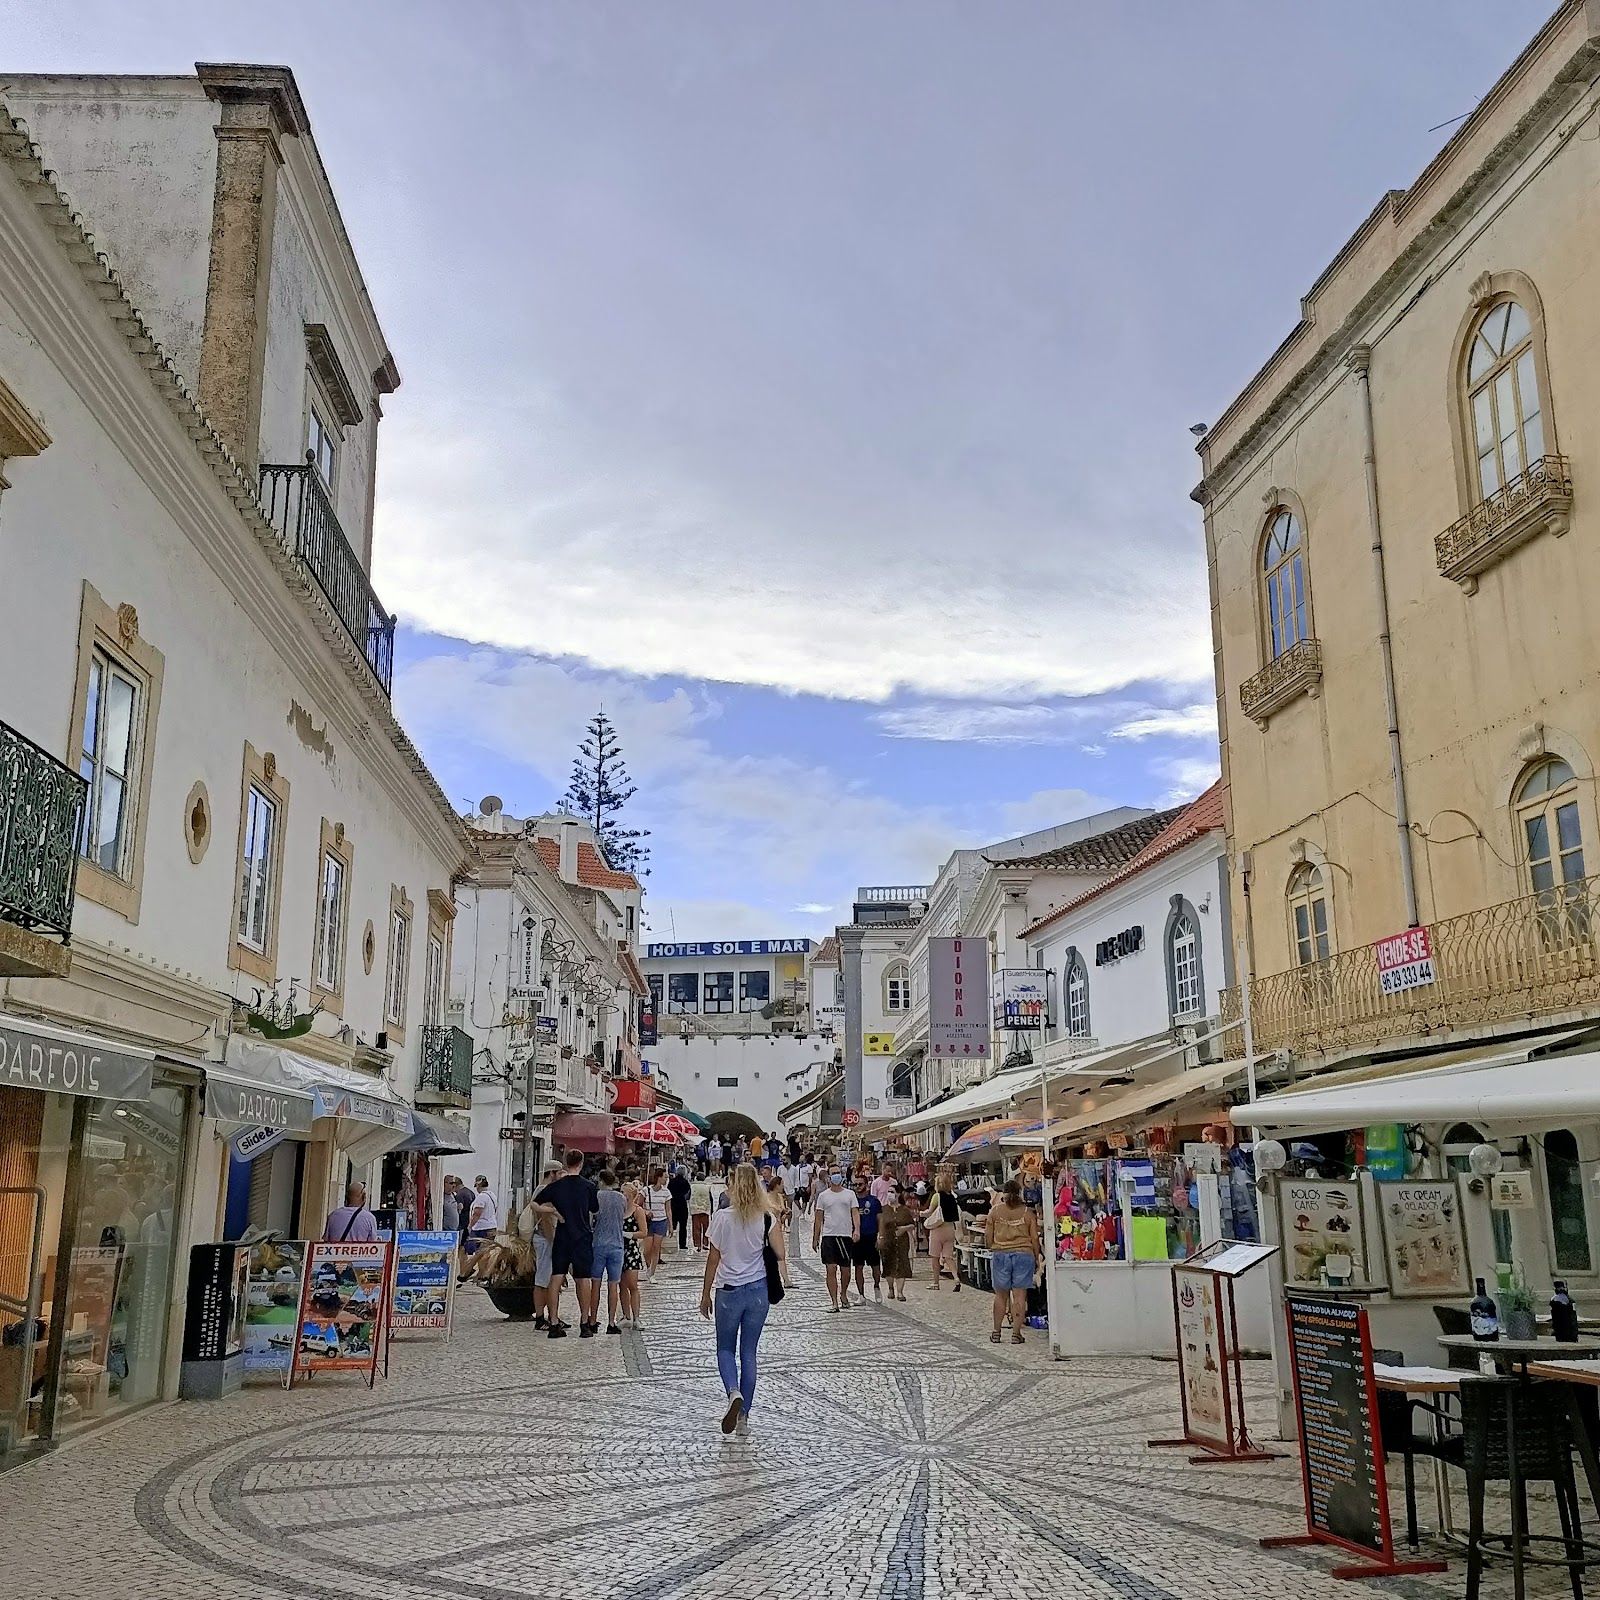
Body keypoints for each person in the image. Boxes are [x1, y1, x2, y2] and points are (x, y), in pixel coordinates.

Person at [699, 1163, 775, 1435]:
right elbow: (778, 1254)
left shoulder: (722, 1218)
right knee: (749, 1352)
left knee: (725, 1348)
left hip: (729, 1290)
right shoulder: (766, 1217)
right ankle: (744, 1416)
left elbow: (713, 1258)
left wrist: (705, 1294)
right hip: (758, 1291)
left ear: (733, 1184)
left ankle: (733, 1391)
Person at [542, 1151, 599, 1338]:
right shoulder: (589, 1186)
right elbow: (594, 1209)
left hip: (562, 1236)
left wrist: (555, 1212)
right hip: (582, 1236)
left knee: (556, 1277)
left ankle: (553, 1322)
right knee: (583, 1279)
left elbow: (535, 1203)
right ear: (581, 1163)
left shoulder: (556, 1186)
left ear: (566, 1163)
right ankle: (584, 1323)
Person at [983, 1180, 1043, 1344]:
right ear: (1019, 1193)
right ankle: (1016, 1334)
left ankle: (996, 1332)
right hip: (1023, 1255)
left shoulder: (995, 1211)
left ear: (1003, 1194)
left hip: (1001, 1254)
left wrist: (991, 1246)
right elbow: (1034, 1238)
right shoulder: (1027, 1213)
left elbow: (988, 1235)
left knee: (1000, 1296)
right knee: (1019, 1296)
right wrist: (1036, 1256)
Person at [812, 1167, 860, 1311]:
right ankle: (834, 1301)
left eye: (838, 1173)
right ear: (829, 1176)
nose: (836, 1176)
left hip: (845, 1236)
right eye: (833, 1173)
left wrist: (857, 1230)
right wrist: (815, 1237)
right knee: (830, 1268)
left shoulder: (850, 1194)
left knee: (845, 1270)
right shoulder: (823, 1196)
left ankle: (843, 1294)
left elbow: (855, 1213)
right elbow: (818, 1218)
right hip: (829, 1236)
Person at [592, 1168, 629, 1334]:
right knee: (613, 1285)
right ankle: (611, 1322)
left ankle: (592, 1320)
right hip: (617, 1244)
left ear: (601, 1181)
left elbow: (592, 1218)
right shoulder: (621, 1198)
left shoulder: (597, 1196)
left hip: (598, 1244)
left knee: (595, 1284)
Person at [528, 1163, 562, 1330]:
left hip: (543, 1239)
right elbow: (546, 1220)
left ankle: (551, 1316)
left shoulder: (541, 1189)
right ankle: (541, 1318)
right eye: (559, 1173)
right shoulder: (545, 1191)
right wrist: (553, 1240)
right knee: (543, 1280)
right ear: (552, 1173)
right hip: (545, 1239)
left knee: (547, 1280)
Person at [923, 1174, 960, 1291]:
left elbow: (930, 1212)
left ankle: (936, 1283)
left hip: (938, 1229)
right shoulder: (952, 1197)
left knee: (935, 1257)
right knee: (948, 1257)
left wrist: (920, 1213)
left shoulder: (937, 1196)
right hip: (950, 1229)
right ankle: (956, 1278)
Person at [879, 1183, 915, 1301]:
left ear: (898, 1194)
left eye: (892, 1192)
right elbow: (880, 1225)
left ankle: (900, 1292)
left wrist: (904, 1229)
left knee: (901, 1264)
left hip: (902, 1241)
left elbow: (912, 1225)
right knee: (888, 1264)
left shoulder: (904, 1210)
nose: (890, 1194)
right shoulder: (883, 1209)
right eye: (888, 1192)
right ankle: (890, 1288)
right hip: (887, 1241)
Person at [851, 1172, 884, 1303]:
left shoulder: (874, 1201)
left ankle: (876, 1285)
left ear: (866, 1185)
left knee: (875, 1265)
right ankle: (861, 1295)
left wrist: (880, 1235)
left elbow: (880, 1219)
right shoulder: (852, 1201)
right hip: (857, 1238)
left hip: (871, 1236)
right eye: (855, 1185)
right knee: (858, 1266)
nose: (857, 1187)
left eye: (860, 1184)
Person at [620, 1181, 647, 1327]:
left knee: (633, 1285)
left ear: (630, 1195)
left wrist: (629, 1234)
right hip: (619, 1249)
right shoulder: (619, 1210)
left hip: (631, 1250)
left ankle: (637, 1317)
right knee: (622, 1285)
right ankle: (626, 1316)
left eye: (623, 1192)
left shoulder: (638, 1211)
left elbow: (644, 1232)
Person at [764, 1171, 792, 1287]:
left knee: (781, 1254)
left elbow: (782, 1211)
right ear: (776, 1185)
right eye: (782, 1184)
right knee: (773, 1254)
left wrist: (786, 1213)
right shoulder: (766, 1198)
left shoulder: (780, 1197)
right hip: (768, 1229)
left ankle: (786, 1279)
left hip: (778, 1227)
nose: (783, 1186)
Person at [644, 1167, 672, 1277]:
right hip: (649, 1222)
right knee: (647, 1250)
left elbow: (668, 1210)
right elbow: (638, 1205)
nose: (666, 1179)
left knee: (656, 1248)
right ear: (659, 1177)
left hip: (661, 1221)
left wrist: (670, 1225)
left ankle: (652, 1273)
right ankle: (648, 1267)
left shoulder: (666, 1192)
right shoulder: (646, 1190)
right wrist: (646, 1212)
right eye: (665, 1177)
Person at [466, 1176, 500, 1256]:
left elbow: (477, 1214)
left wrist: (470, 1225)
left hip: (480, 1228)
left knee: (472, 1251)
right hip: (492, 1226)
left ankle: (472, 1263)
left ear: (478, 1185)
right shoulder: (492, 1195)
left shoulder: (481, 1197)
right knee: (487, 1252)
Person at [668, 1162, 692, 1251]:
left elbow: (668, 1193)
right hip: (682, 1205)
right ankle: (682, 1244)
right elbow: (688, 1195)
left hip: (673, 1205)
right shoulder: (686, 1182)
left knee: (673, 1225)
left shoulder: (672, 1182)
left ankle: (671, 1242)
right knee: (683, 1226)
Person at [690, 1168, 714, 1251]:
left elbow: (688, 1196)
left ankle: (697, 1245)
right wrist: (711, 1210)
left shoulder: (692, 1186)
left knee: (696, 1228)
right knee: (706, 1227)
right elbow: (711, 1199)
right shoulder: (707, 1187)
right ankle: (705, 1243)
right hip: (705, 1209)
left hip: (695, 1209)